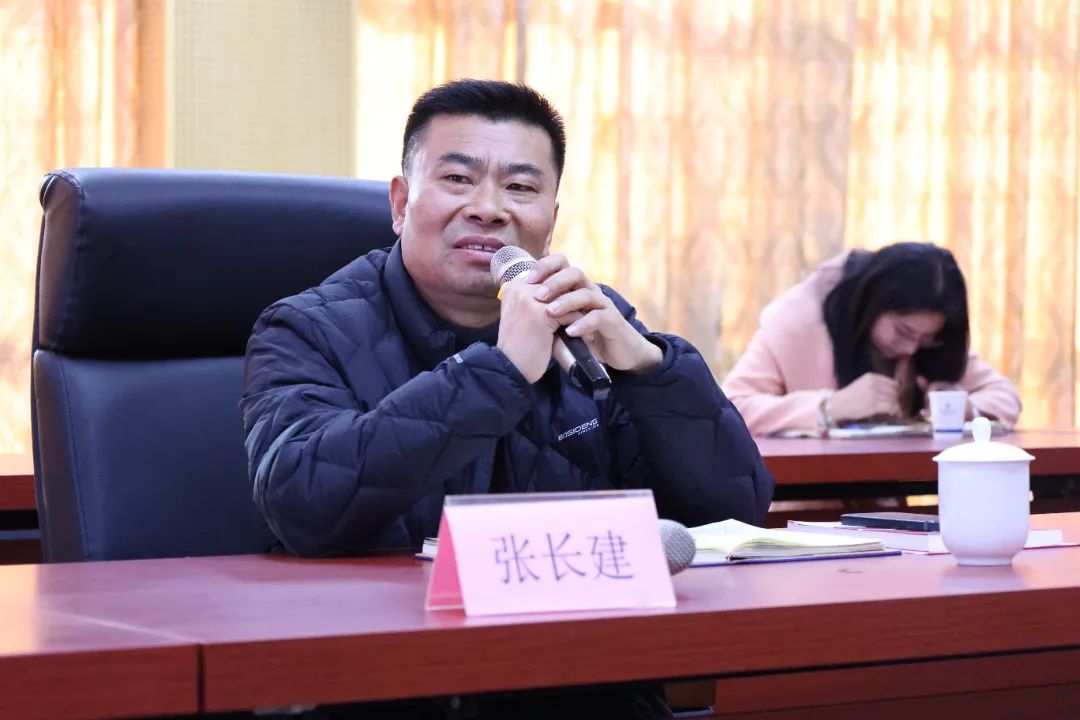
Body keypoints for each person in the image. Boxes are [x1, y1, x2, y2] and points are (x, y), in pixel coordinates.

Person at [240, 79, 773, 719]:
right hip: (385, 686)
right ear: (401, 203)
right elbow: (302, 501)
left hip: (578, 683)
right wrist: (500, 371)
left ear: (552, 216)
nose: (490, 208)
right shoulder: (307, 329)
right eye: (458, 180)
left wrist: (651, 368)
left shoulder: (586, 326)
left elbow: (731, 513)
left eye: (520, 187)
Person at [722, 242, 1022, 436]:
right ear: (872, 303)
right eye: (903, 332)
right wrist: (829, 408)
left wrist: (965, 408)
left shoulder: (928, 345)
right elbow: (732, 408)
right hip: (801, 499)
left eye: (927, 338)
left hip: (888, 492)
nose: (911, 348)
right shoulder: (797, 321)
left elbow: (1004, 395)